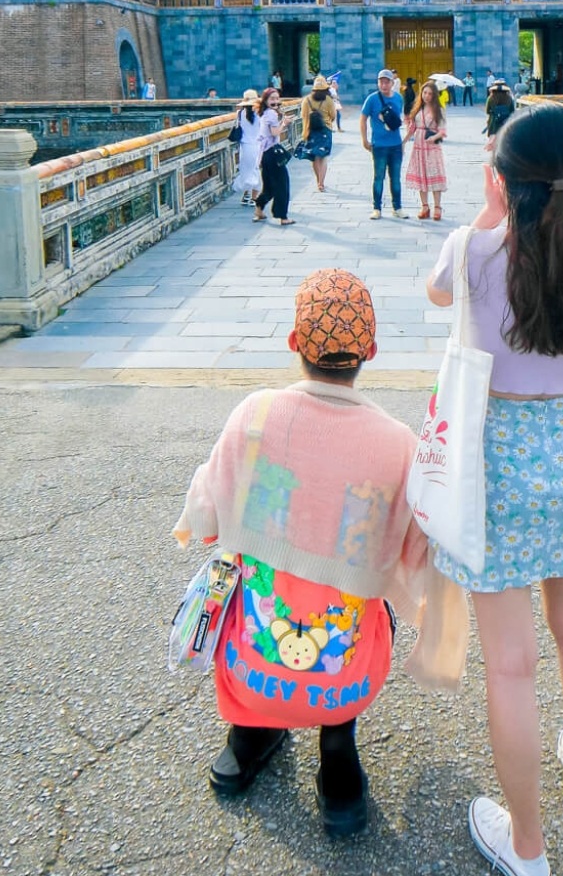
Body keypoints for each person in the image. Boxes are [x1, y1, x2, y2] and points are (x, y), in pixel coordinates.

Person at [425, 104, 563, 876]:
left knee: (511, 665)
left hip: (493, 469)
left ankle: (527, 846)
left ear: (501, 180)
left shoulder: (472, 249)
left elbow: (438, 296)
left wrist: (488, 218)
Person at [174, 269, 426, 838]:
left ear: (293, 342)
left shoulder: (256, 415)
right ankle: (338, 757)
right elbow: (416, 558)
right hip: (344, 681)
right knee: (370, 605)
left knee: (253, 586)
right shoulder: (397, 443)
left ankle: (248, 737)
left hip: (252, 671)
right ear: (371, 351)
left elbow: (205, 514)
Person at [360, 69, 405, 219]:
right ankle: (377, 208)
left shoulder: (398, 98)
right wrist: (364, 139)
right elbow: (363, 119)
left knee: (396, 178)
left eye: (387, 82)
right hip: (379, 145)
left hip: (395, 144)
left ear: (392, 83)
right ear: (378, 83)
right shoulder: (372, 99)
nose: (384, 85)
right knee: (379, 177)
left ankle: (397, 207)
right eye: (381, 82)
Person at [403, 79, 448, 220]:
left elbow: (443, 131)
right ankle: (424, 206)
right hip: (419, 147)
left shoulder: (439, 110)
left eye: (430, 93)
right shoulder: (418, 109)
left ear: (434, 95)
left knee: (434, 175)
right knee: (420, 176)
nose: (427, 96)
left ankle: (437, 207)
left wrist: (434, 138)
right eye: (425, 93)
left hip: (432, 147)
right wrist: (403, 142)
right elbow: (412, 129)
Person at [255, 88, 293, 225]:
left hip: (264, 154)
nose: (275, 101)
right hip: (272, 153)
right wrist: (284, 123)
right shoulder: (271, 114)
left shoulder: (264, 113)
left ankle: (259, 209)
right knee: (282, 184)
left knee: (269, 186)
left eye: (277, 98)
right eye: (272, 99)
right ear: (265, 100)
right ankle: (282, 216)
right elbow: (275, 132)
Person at [298, 75, 339, 192]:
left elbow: (303, 116)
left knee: (314, 157)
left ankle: (318, 181)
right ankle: (321, 183)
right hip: (325, 130)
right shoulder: (328, 100)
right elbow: (333, 116)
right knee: (323, 157)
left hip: (310, 130)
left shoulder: (306, 100)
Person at [233, 89, 267, 208]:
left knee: (246, 171)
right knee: (256, 170)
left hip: (244, 147)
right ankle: (254, 197)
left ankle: (246, 194)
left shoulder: (239, 114)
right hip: (257, 146)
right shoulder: (260, 114)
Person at [482, 80, 517, 152]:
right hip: (505, 121)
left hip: (493, 122)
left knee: (493, 140)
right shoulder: (509, 98)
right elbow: (512, 111)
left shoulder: (491, 98)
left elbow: (487, 111)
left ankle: (494, 153)